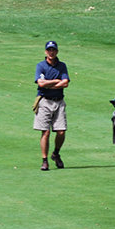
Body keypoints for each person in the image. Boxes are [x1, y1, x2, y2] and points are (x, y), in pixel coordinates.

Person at [33, 41, 70, 171]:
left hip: (59, 101)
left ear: (57, 51)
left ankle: (56, 153)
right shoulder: (41, 66)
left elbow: (65, 83)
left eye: (53, 50)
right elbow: (41, 84)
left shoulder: (62, 66)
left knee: (61, 131)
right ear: (45, 52)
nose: (51, 52)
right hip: (44, 101)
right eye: (49, 50)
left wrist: (49, 84)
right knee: (46, 132)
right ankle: (44, 160)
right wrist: (55, 81)